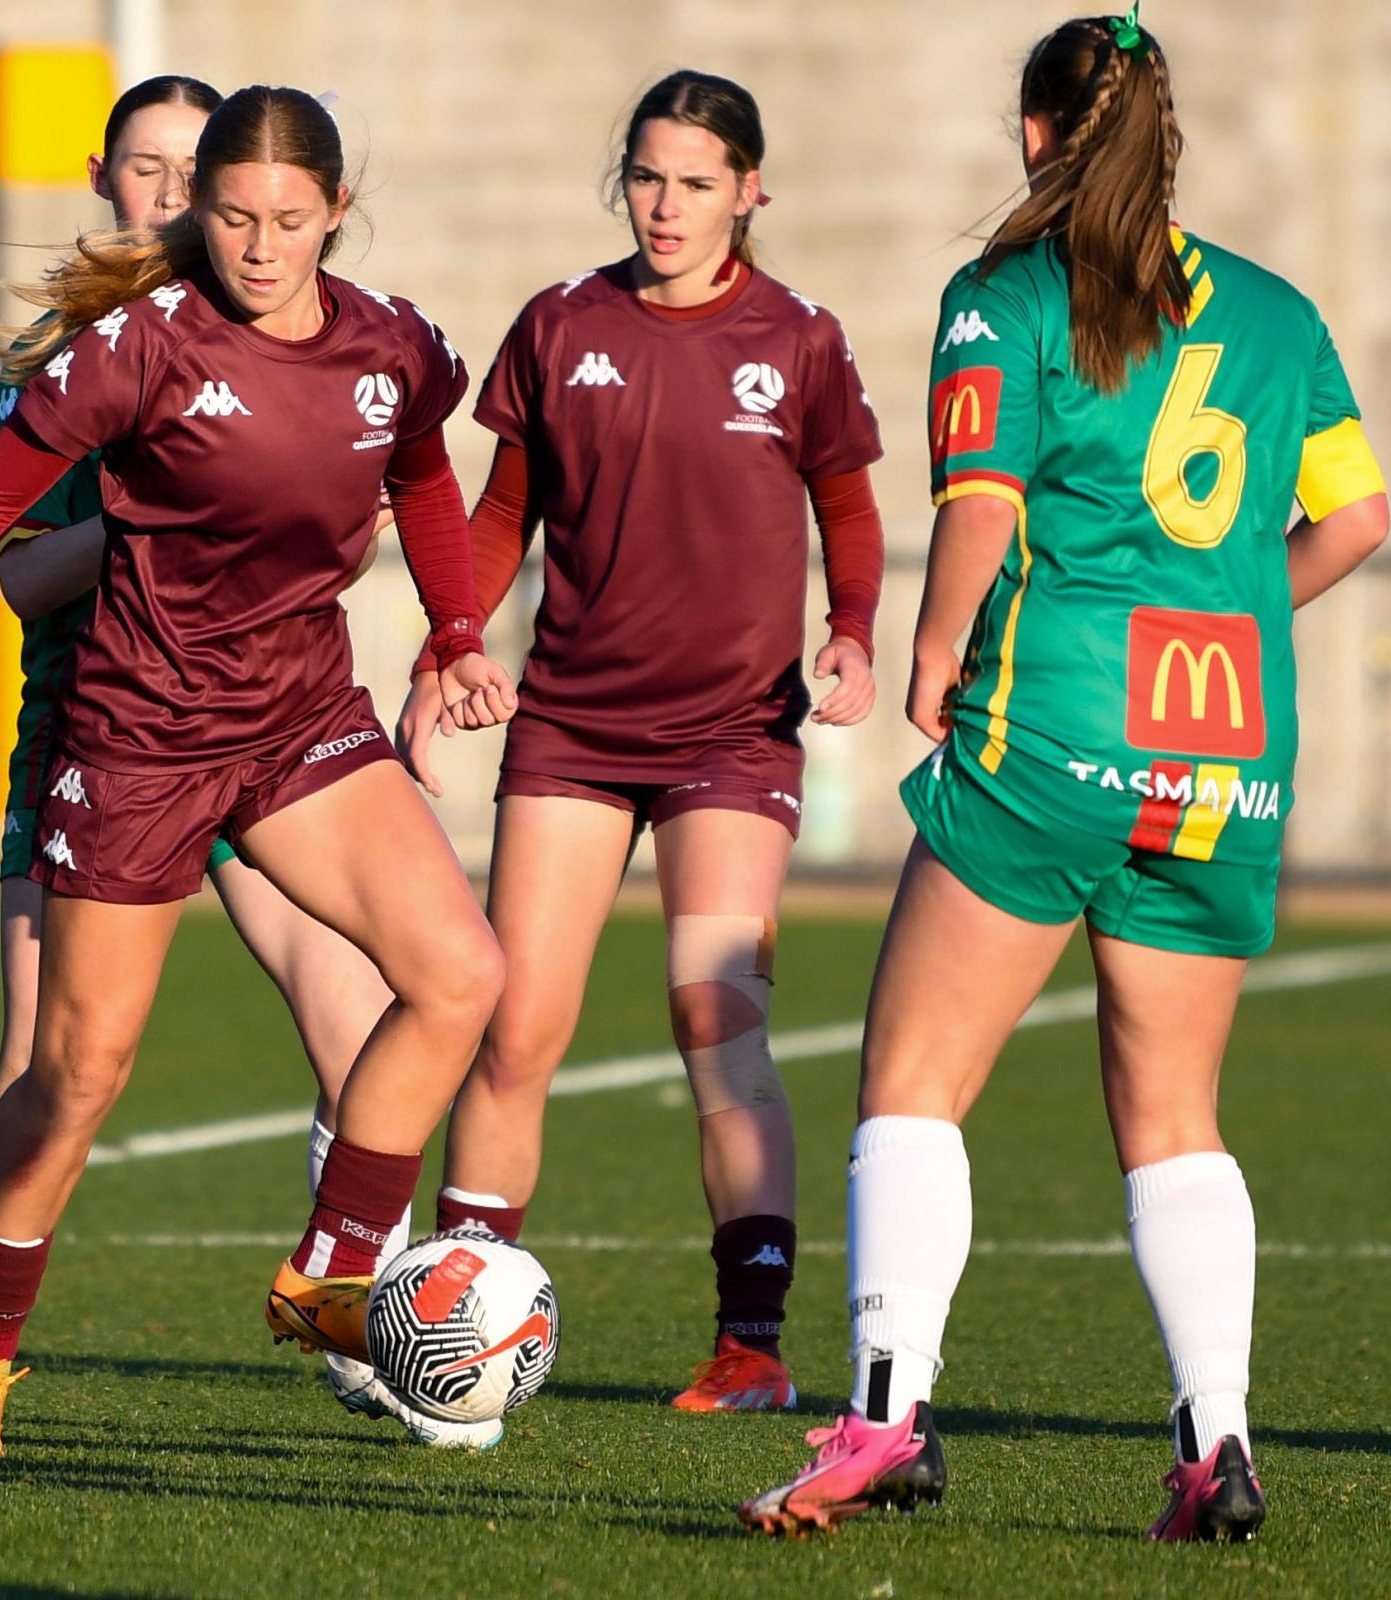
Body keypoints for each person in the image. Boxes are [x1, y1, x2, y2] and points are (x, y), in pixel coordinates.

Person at [0, 85, 516, 1461]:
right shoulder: (138, 349)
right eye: (233, 217)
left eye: (289, 219)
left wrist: (458, 634)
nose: (260, 246)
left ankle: (332, 1271)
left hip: (300, 719)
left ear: (336, 212)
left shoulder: (394, 344)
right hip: (139, 737)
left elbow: (423, 476)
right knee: (75, 1074)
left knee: (461, 975)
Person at [739, 7, 1388, 1540]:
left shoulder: (1008, 294)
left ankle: (884, 1419)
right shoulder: (1280, 314)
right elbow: (1358, 520)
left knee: (912, 1082)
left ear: (1035, 134)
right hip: (1225, 748)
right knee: (1175, 1114)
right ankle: (1218, 1447)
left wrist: (932, 656)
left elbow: (979, 505)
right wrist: (1235, 609)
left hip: (1056, 726)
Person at [405, 68, 884, 1416]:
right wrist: (452, 641)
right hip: (570, 724)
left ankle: (752, 1346)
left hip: (734, 733)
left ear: (750, 193)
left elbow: (849, 511)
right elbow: (501, 515)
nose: (665, 206)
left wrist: (853, 632)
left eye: (695, 183)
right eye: (646, 177)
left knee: (716, 1019)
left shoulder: (801, 339)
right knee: (516, 1027)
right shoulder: (561, 324)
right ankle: (450, 1327)